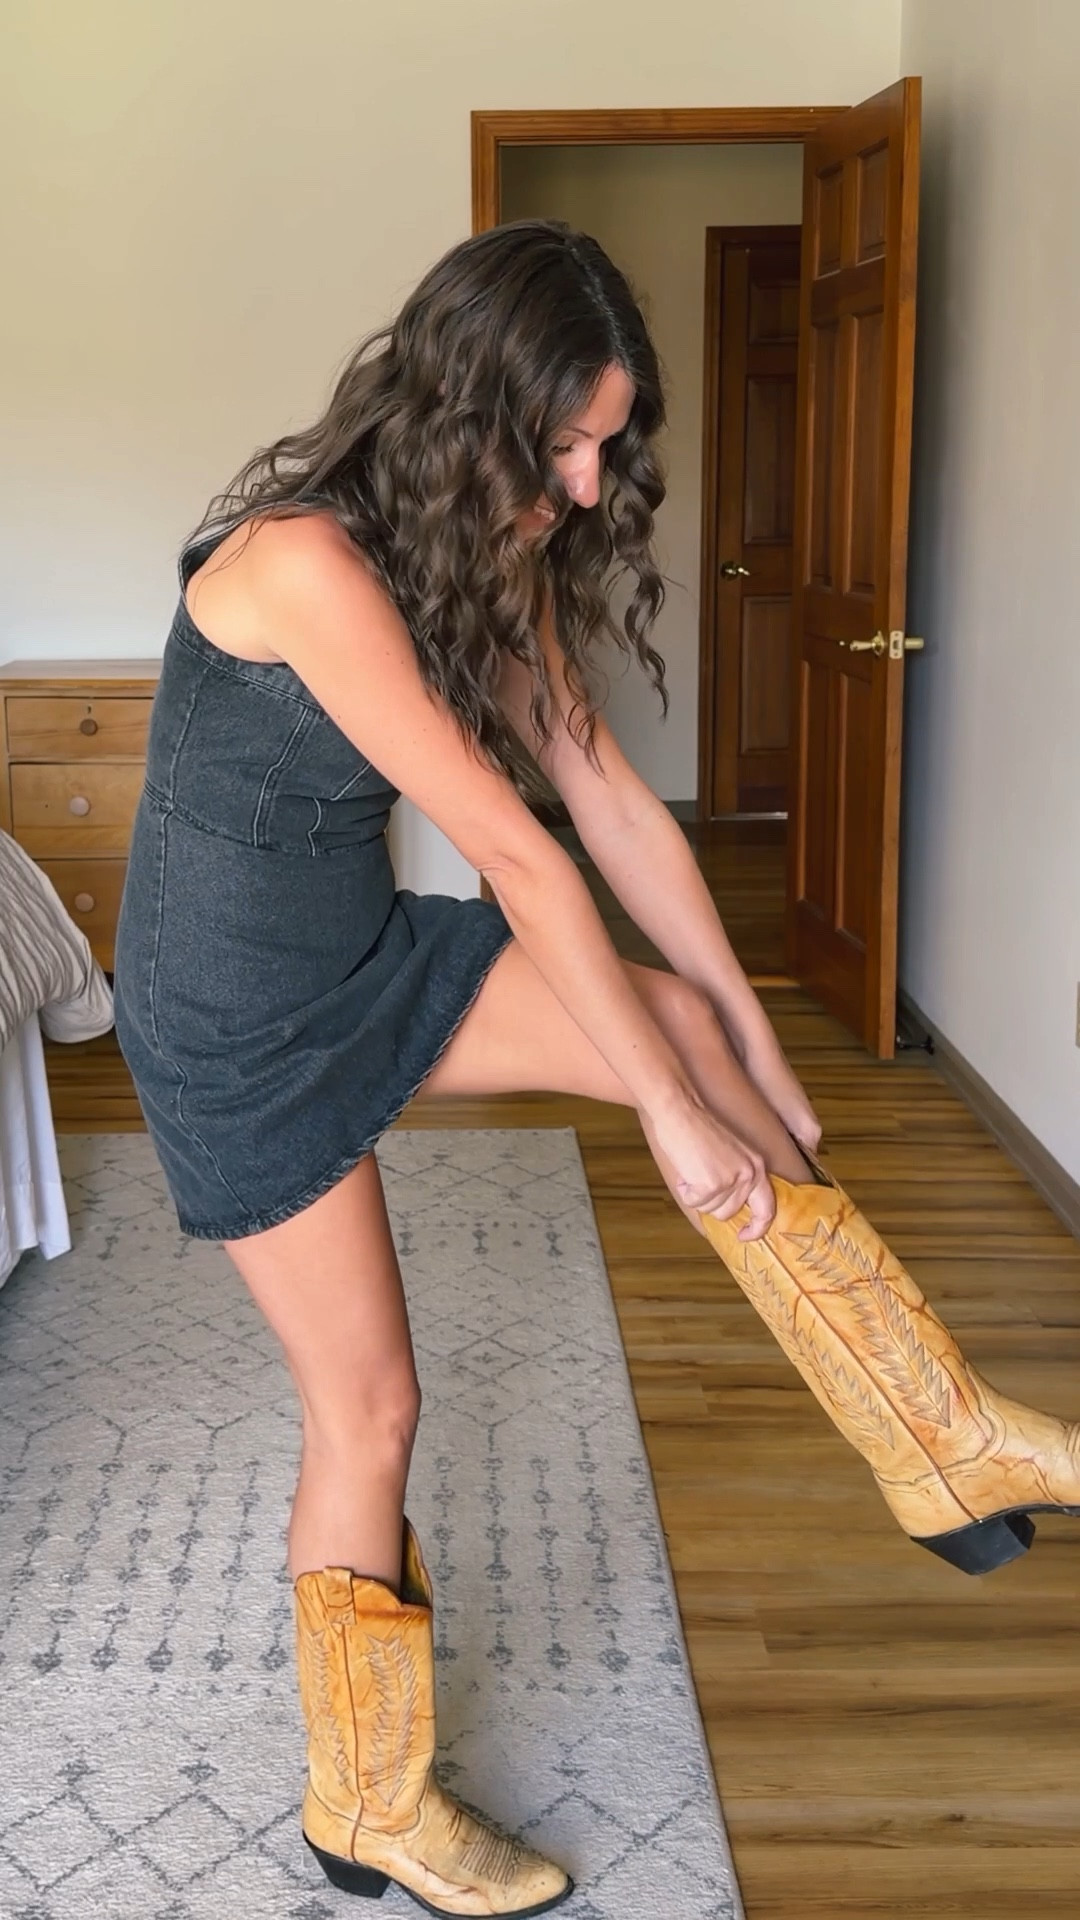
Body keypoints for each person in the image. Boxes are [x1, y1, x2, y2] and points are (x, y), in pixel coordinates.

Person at [114, 219, 1080, 1919]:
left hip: (355, 956)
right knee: (374, 1405)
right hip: (230, 1022)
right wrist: (670, 1116)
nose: (580, 484)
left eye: (606, 445)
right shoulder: (303, 565)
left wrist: (743, 1048)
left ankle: (937, 1438)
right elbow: (524, 857)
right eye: (559, 441)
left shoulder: (463, 549)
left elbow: (613, 806)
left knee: (695, 1044)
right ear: (464, 404)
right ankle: (367, 1805)